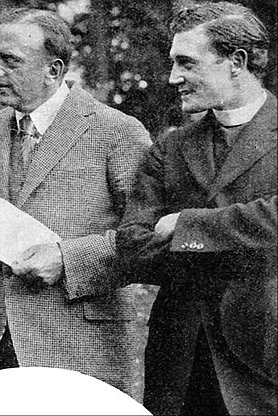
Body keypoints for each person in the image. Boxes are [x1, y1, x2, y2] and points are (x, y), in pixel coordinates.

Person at [0, 8, 151, 398]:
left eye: (10, 61)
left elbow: (149, 239)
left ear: (54, 70)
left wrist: (67, 259)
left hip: (81, 348)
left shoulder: (117, 132)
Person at [116, 2, 276, 415]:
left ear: (236, 62)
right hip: (179, 360)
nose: (173, 77)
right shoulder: (171, 147)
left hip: (266, 355)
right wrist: (242, 240)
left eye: (186, 62)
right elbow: (132, 243)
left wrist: (186, 227)